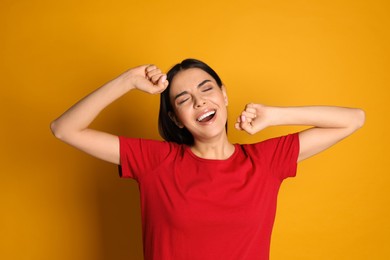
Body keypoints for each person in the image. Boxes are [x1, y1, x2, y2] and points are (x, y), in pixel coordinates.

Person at [51, 59, 365, 260]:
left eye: (207, 89)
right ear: (175, 118)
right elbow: (64, 129)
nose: (200, 100)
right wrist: (128, 81)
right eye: (184, 99)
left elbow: (353, 119)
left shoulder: (265, 161)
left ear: (223, 96)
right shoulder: (155, 162)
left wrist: (276, 115)